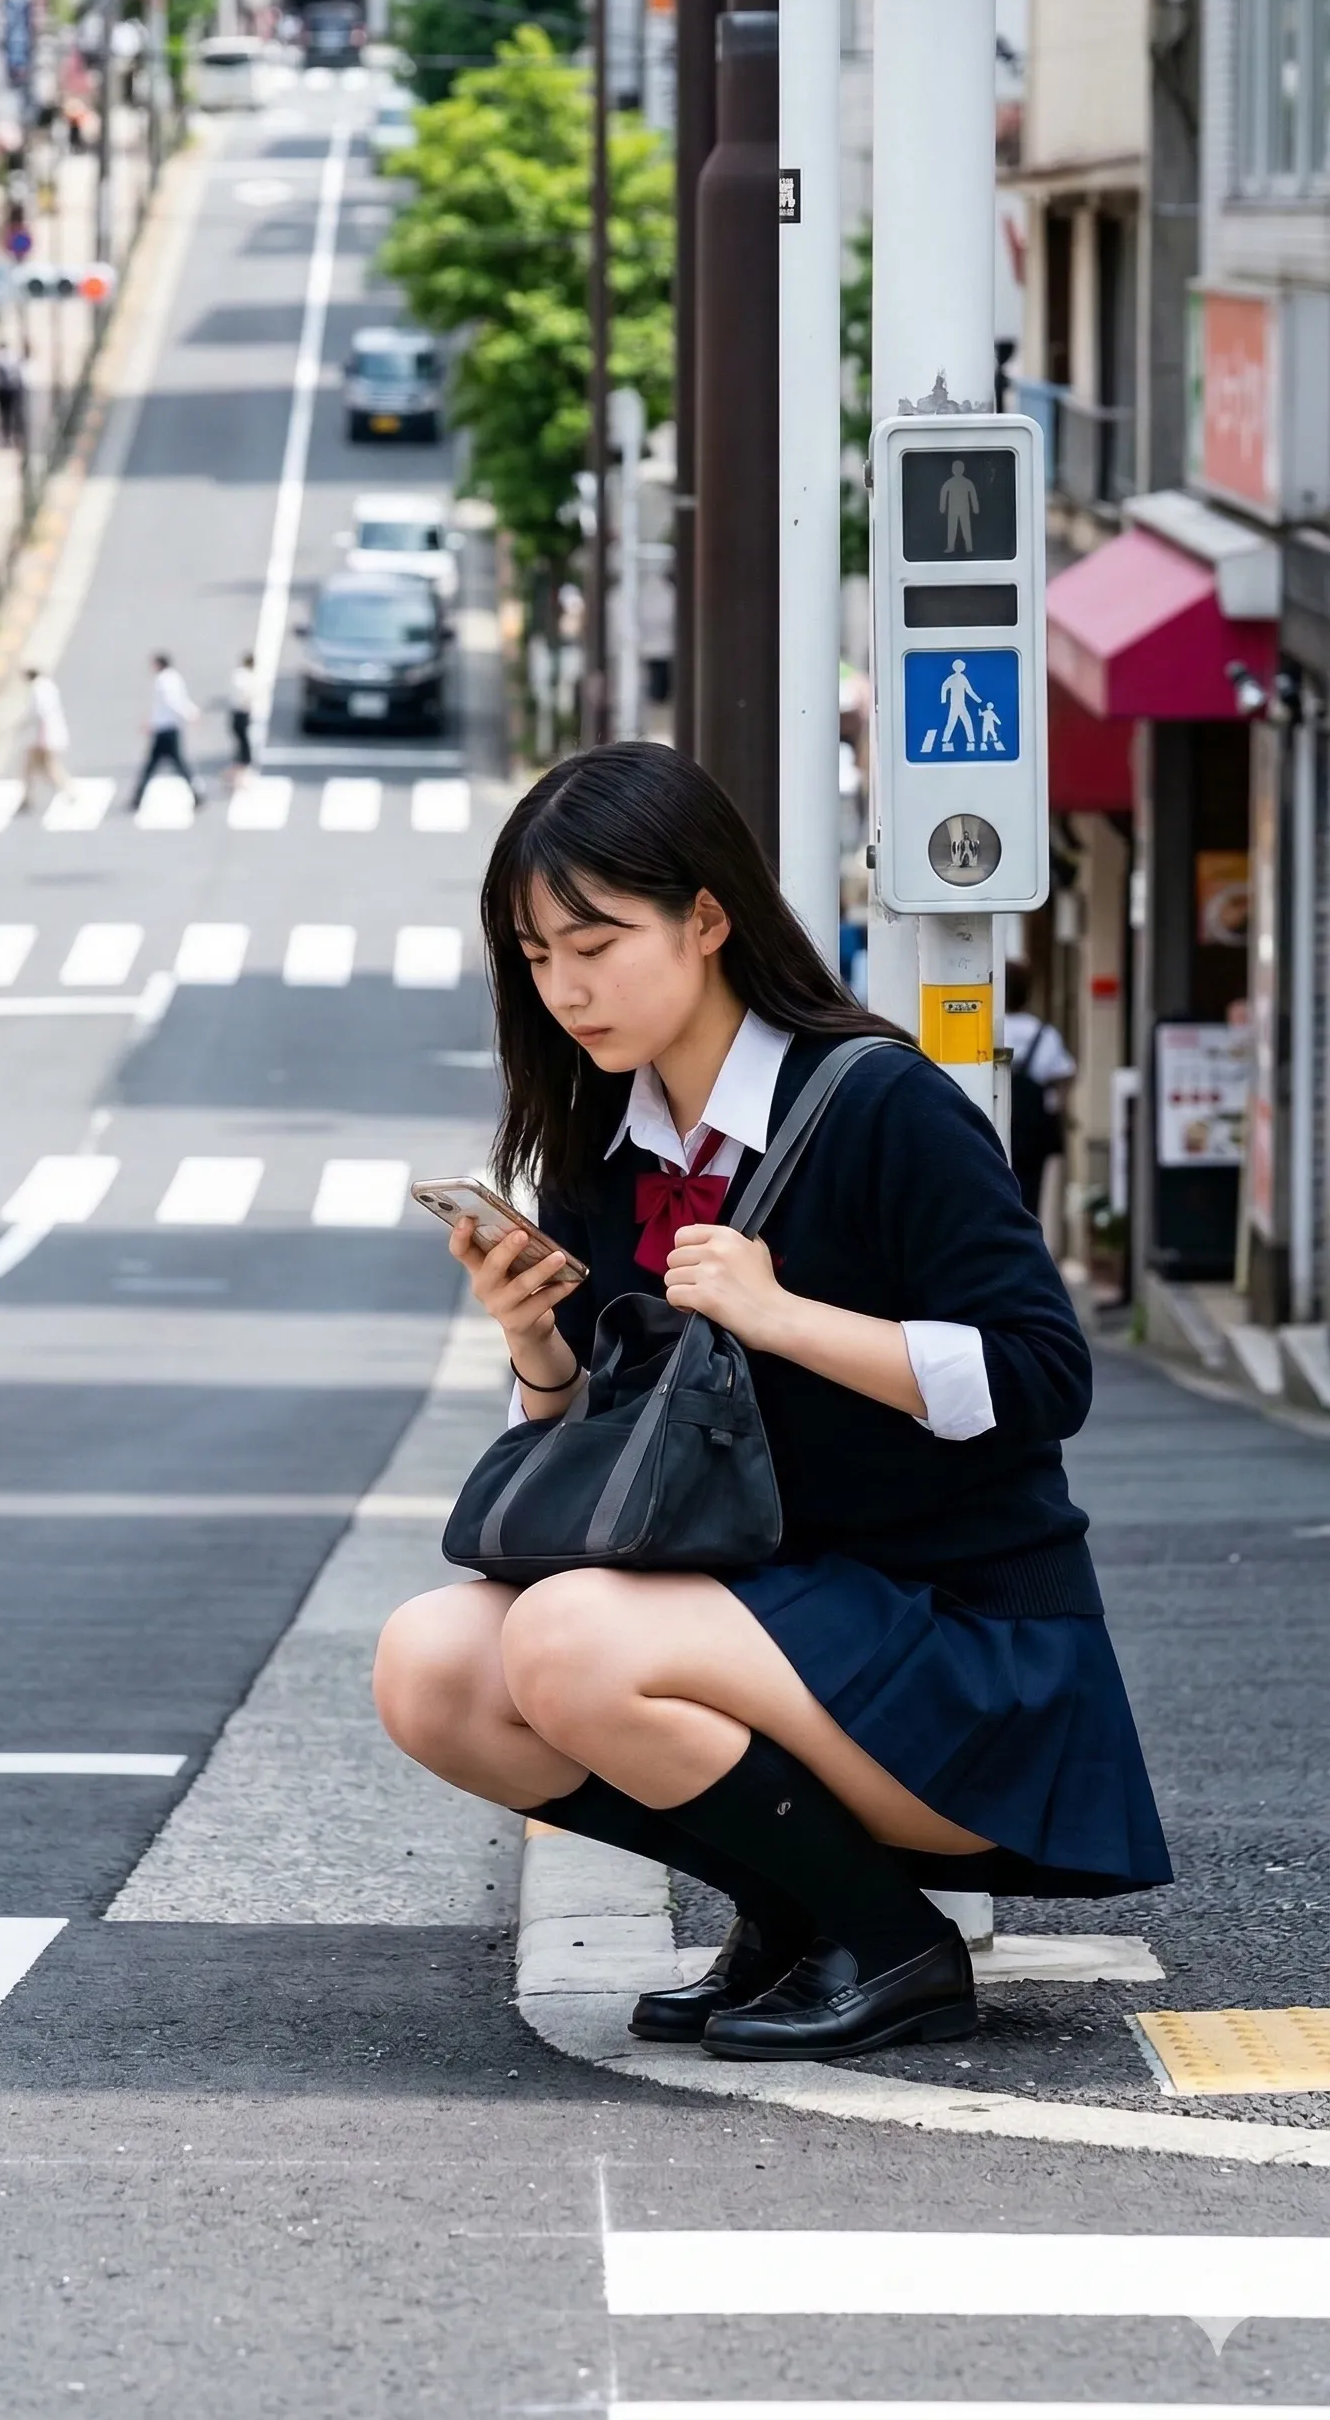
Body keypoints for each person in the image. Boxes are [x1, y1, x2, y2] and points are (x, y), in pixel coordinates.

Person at [374, 744, 1170, 2064]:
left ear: (707, 917)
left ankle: (891, 1942)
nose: (566, 988)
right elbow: (615, 1475)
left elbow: (1043, 1376)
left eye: (597, 944)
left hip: (970, 1654)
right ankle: (800, 1912)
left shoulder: (880, 1106)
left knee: (567, 1639)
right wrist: (537, 1350)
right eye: (537, 955)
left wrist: (784, 1314)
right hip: (766, 1627)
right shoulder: (602, 1148)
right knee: (431, 1668)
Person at [1005, 957, 1077, 1224]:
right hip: (1033, 1128)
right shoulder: (1044, 1034)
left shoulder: (985, 1029)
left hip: (990, 1122)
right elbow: (1065, 1074)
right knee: (1030, 1193)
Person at [130, 652, 204, 810]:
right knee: (171, 764)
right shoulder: (174, 678)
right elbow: (180, 700)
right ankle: (196, 794)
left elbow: (172, 702)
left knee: (158, 765)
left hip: (165, 729)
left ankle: (137, 798)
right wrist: (191, 712)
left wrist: (188, 714)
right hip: (169, 727)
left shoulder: (163, 680)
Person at [21, 667, 70, 809]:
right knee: (34, 767)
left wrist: (39, 737)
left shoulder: (38, 689)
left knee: (49, 766)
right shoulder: (48, 686)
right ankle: (26, 797)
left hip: (45, 736)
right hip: (47, 735)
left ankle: (68, 790)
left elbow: (40, 714)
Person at [227, 652, 258, 788]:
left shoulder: (237, 675)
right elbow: (247, 695)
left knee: (241, 744)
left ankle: (234, 776)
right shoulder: (247, 677)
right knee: (244, 746)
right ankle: (237, 777)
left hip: (235, 713)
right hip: (242, 713)